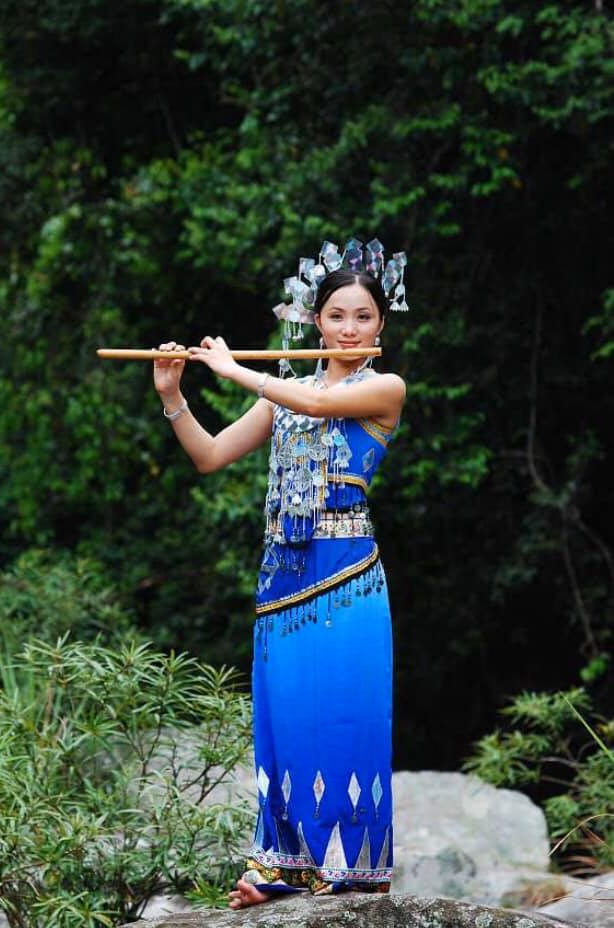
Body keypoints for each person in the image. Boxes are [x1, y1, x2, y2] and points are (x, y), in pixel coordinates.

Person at [152, 241, 407, 909]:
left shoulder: (383, 388)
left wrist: (235, 370)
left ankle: (352, 864)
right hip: (281, 587)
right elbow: (210, 456)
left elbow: (320, 406)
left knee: (344, 718)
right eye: (337, 317)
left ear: (382, 326)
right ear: (315, 322)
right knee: (284, 720)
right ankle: (287, 865)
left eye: (363, 317)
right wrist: (175, 396)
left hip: (347, 583)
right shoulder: (287, 396)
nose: (350, 329)